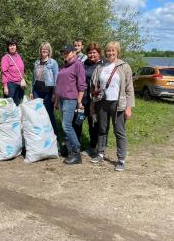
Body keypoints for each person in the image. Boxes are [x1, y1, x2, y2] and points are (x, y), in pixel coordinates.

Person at [90, 41, 135, 171]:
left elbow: (129, 88)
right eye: (108, 50)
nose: (110, 53)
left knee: (119, 131)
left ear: (117, 52)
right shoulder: (101, 67)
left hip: (118, 104)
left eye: (113, 51)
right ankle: (100, 153)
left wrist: (128, 107)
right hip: (101, 103)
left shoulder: (124, 66)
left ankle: (121, 159)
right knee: (102, 129)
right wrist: (93, 104)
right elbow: (94, 86)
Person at [55, 45, 86, 165]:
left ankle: (76, 152)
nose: (65, 54)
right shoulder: (64, 66)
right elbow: (59, 85)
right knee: (66, 125)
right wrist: (57, 101)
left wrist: (79, 101)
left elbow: (82, 85)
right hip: (62, 99)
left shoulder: (78, 64)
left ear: (73, 53)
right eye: (63, 52)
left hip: (70, 99)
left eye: (67, 52)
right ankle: (70, 151)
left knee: (66, 125)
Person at [77, 42, 104, 156]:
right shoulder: (84, 64)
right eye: (89, 53)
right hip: (84, 99)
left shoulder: (103, 65)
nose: (92, 55)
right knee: (77, 122)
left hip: (96, 100)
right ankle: (75, 145)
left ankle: (93, 147)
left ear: (99, 53)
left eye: (94, 53)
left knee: (93, 124)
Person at [29, 42, 59, 134]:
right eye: (43, 48)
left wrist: (55, 93)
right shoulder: (37, 62)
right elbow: (33, 78)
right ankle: (41, 133)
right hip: (37, 91)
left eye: (46, 48)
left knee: (49, 113)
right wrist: (31, 91)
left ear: (49, 50)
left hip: (48, 91)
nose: (44, 50)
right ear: (40, 50)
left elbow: (56, 78)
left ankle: (54, 134)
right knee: (38, 113)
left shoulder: (53, 63)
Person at [1, 39, 25, 106]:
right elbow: (4, 73)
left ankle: (17, 116)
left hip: (20, 84)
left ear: (16, 46)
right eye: (10, 45)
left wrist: (22, 79)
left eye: (13, 45)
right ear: (8, 47)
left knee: (18, 104)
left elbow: (22, 70)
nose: (12, 47)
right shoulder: (5, 58)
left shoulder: (19, 56)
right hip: (10, 85)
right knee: (9, 105)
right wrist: (5, 86)